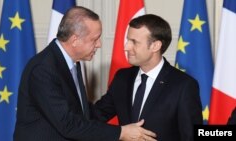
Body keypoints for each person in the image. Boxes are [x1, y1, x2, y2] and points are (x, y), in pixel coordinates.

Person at [13, 6, 157, 141]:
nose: (99, 44)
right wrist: (121, 133)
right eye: (94, 39)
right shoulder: (43, 69)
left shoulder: (72, 62)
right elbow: (68, 124)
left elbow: (81, 112)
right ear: (75, 40)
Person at [93, 14, 203, 141]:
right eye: (128, 40)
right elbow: (95, 117)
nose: (126, 47)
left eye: (134, 42)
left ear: (155, 46)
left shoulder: (183, 85)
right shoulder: (122, 78)